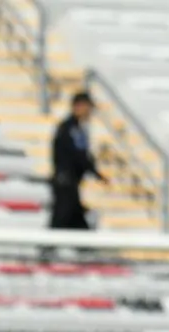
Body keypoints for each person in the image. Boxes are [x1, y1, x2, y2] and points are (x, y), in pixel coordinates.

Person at [49, 91, 103, 231]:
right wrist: (95, 172)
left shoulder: (76, 128)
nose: (89, 111)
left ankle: (85, 248)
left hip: (70, 181)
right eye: (87, 107)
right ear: (79, 106)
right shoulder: (70, 128)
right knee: (62, 216)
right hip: (65, 181)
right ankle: (48, 249)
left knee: (74, 217)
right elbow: (79, 156)